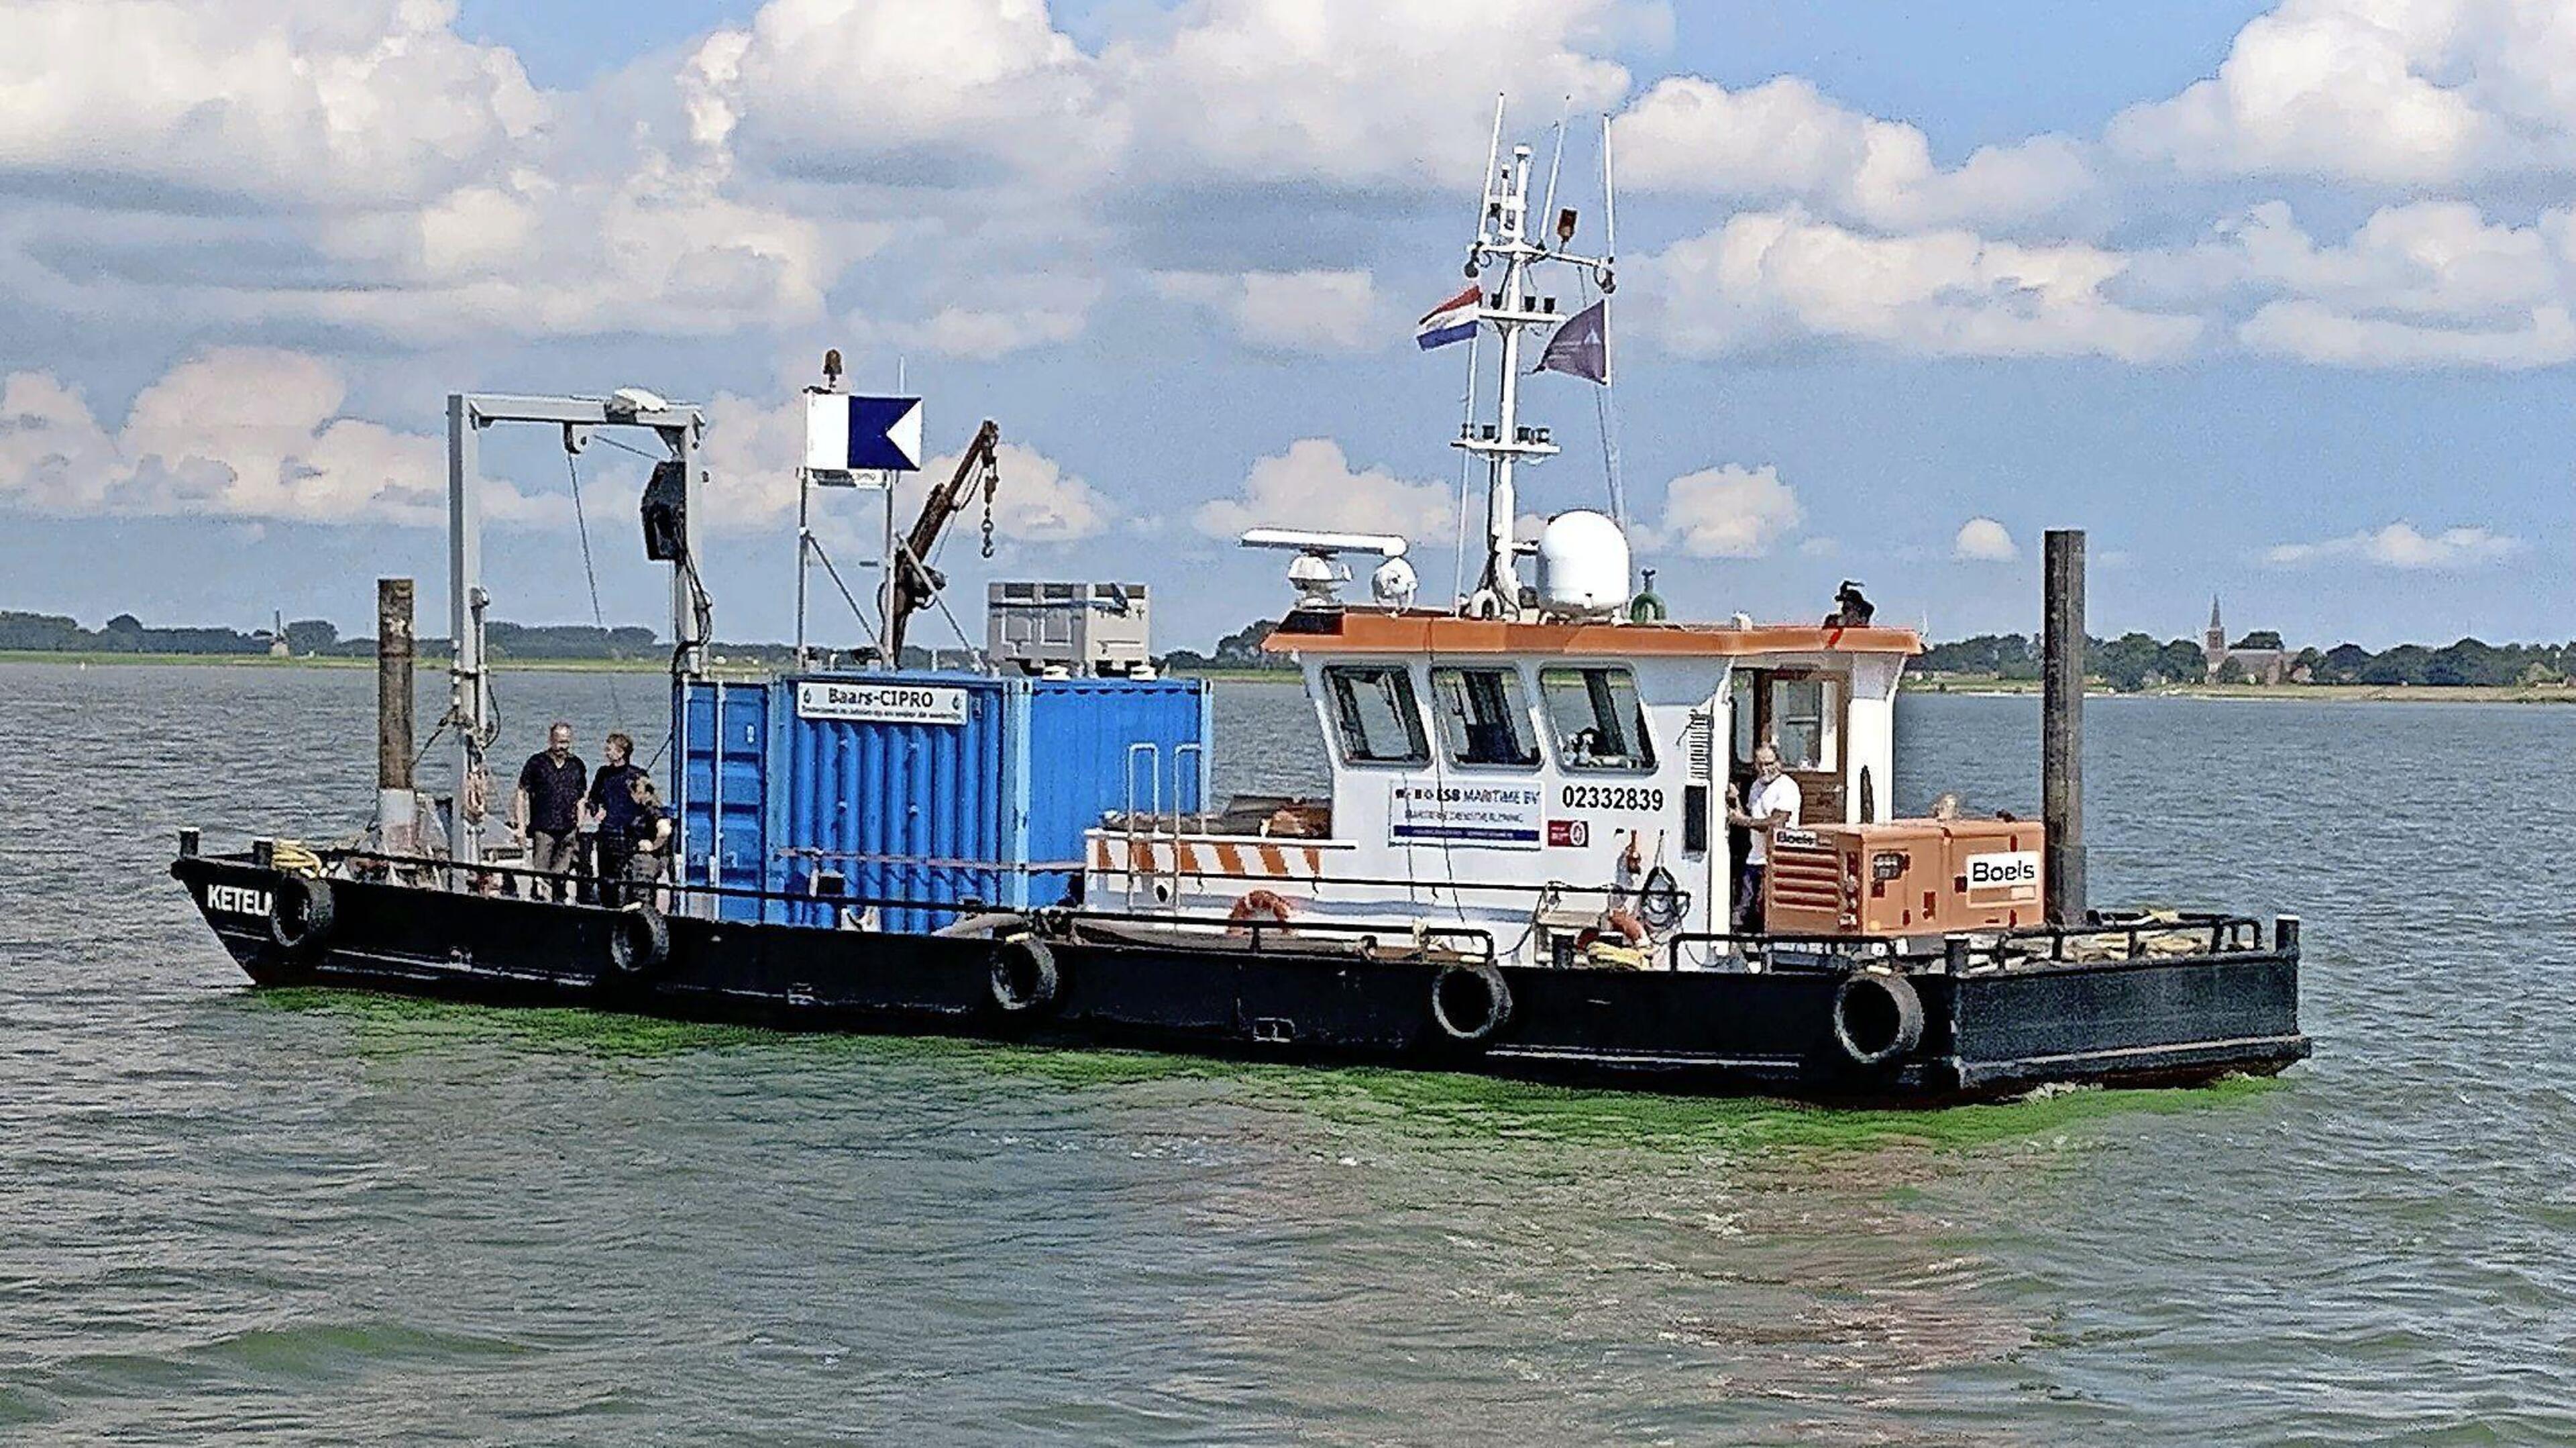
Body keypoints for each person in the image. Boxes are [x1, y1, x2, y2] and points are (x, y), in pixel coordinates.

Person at [1725, 742, 1803, 933]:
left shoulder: (1787, 787)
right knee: (1744, 912)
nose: (1765, 769)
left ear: (1779, 762)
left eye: (1769, 763)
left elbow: (1776, 824)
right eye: (1760, 764)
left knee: (1766, 912)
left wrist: (1741, 821)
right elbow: (1751, 817)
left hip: (1778, 860)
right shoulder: (1756, 786)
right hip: (1755, 857)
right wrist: (1735, 801)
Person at [512, 721, 587, 901]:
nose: (563, 747)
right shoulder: (537, 763)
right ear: (551, 740)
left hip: (568, 829)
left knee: (561, 877)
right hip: (543, 828)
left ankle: (559, 904)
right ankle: (540, 904)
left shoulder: (576, 765)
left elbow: (582, 797)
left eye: (567, 742)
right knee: (541, 878)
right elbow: (521, 793)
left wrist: (580, 824)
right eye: (560, 742)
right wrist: (521, 826)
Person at [585, 732, 645, 905]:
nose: (606, 753)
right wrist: (596, 811)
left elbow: (646, 806)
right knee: (606, 879)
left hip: (628, 835)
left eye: (610, 749)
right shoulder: (603, 773)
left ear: (621, 752)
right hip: (607, 832)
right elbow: (593, 798)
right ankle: (607, 907)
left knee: (628, 878)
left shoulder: (637, 775)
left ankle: (628, 908)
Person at [622, 775, 674, 908]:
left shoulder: (652, 810)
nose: (635, 797)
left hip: (645, 861)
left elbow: (665, 831)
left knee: (641, 899)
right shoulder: (639, 810)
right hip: (637, 862)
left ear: (647, 793)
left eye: (638, 793)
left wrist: (653, 846)